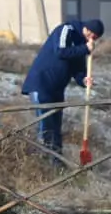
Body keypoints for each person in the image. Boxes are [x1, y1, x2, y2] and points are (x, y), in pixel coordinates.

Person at [21, 17, 102, 158]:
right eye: (93, 36)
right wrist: (84, 49)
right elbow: (61, 51)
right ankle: (43, 165)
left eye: (96, 38)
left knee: (56, 130)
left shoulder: (81, 45)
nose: (93, 40)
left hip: (57, 90)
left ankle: (56, 164)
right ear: (87, 30)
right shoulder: (67, 29)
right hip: (42, 85)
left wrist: (83, 80)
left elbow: (77, 70)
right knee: (45, 128)